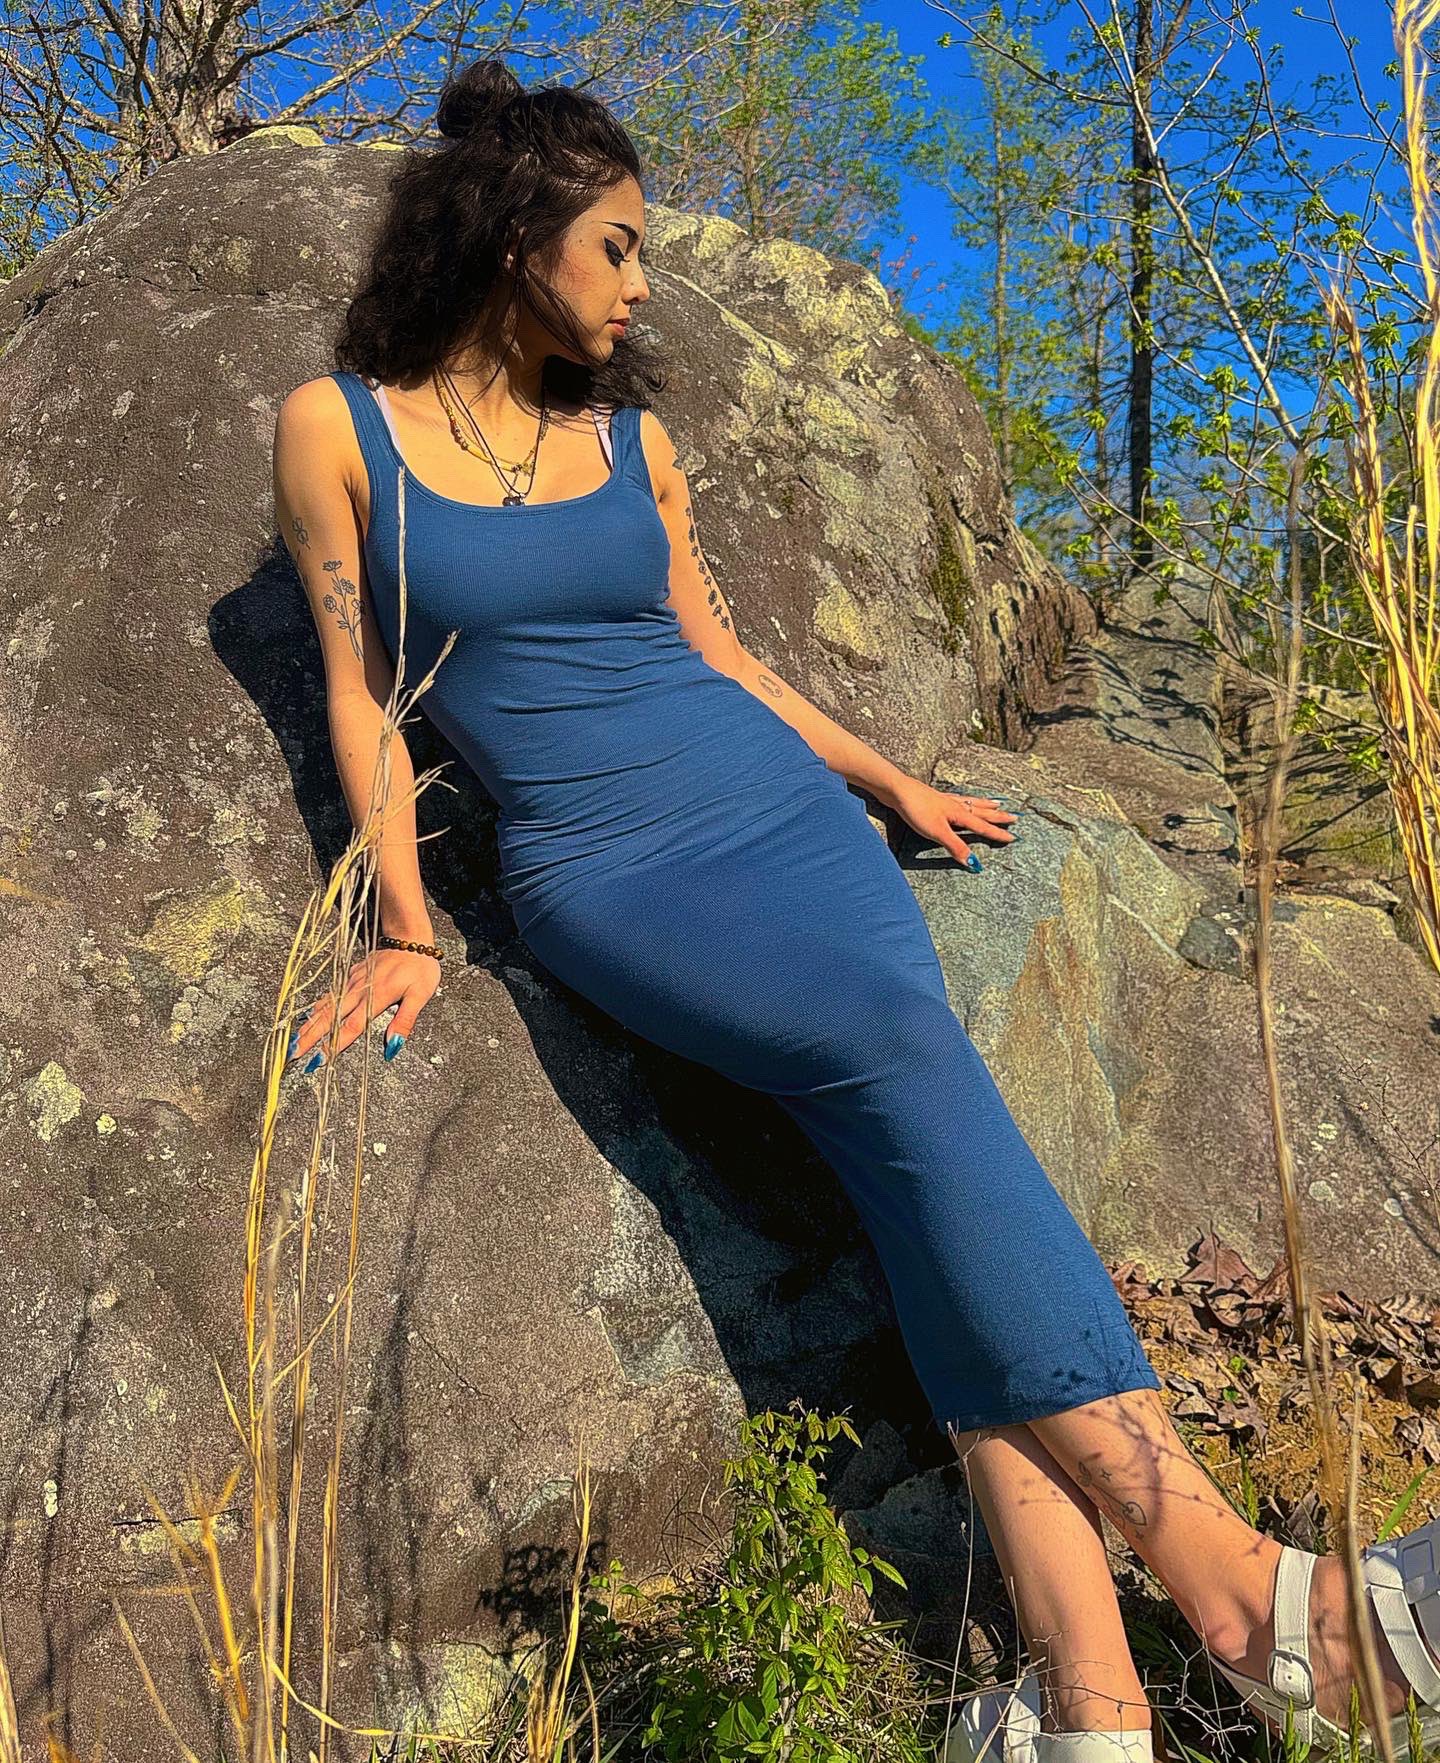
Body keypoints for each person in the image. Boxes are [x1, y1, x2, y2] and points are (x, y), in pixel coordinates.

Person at [269, 53, 1440, 1763]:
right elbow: (361, 695)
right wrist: (404, 928)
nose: (642, 284)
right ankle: (1241, 1588)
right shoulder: (340, 429)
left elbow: (721, 654)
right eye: (619, 246)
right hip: (608, 866)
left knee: (914, 1181)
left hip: (779, 816)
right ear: (515, 234)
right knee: (902, 1055)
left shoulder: (632, 442)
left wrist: (887, 781)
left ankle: (1095, 1712)